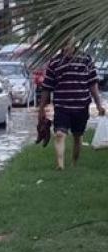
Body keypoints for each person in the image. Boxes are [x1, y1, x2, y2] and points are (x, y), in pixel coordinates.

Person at [38, 37, 106, 170]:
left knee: (77, 136)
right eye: (65, 44)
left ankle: (74, 163)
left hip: (81, 106)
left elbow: (93, 84)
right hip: (62, 106)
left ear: (75, 44)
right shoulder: (55, 62)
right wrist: (41, 109)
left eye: (70, 43)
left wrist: (99, 104)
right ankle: (60, 165)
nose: (67, 47)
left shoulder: (86, 60)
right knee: (59, 134)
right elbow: (47, 87)